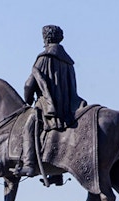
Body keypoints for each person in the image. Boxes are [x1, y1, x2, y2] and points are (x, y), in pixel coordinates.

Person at [18, 24, 87, 177]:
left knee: (28, 127)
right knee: (56, 133)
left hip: (49, 105)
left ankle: (29, 165)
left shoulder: (44, 58)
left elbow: (29, 84)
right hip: (69, 105)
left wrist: (27, 100)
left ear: (46, 38)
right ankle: (56, 175)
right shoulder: (68, 61)